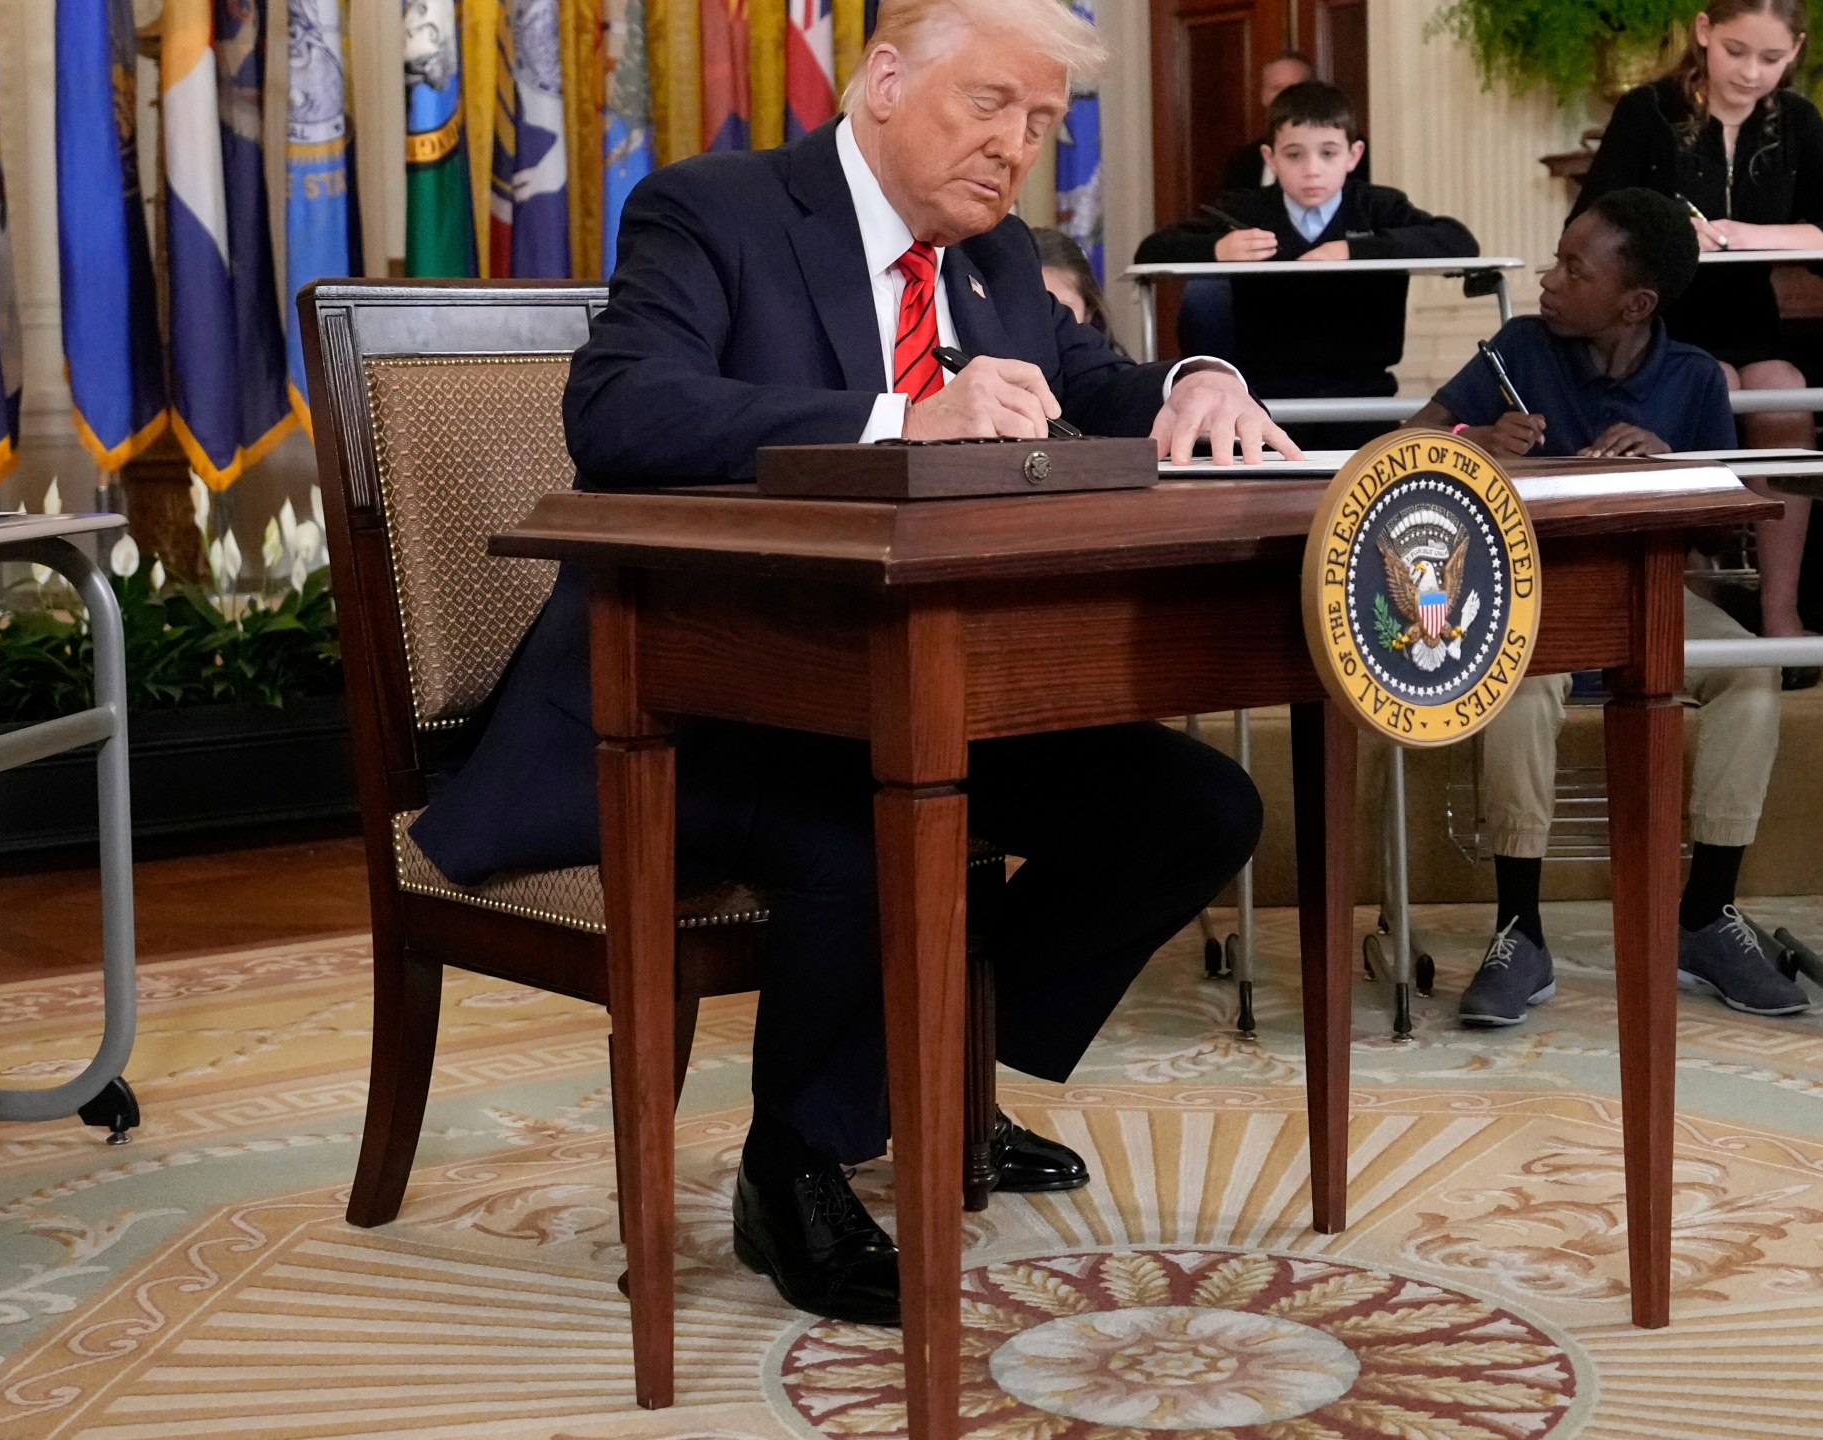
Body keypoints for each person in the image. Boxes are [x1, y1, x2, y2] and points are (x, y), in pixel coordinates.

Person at [406, 0, 1285, 1326]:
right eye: (990, 103)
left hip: (908, 691)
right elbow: (620, 410)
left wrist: (1195, 381)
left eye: (1041, 124)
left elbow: (1097, 386)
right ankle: (795, 1166)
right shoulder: (716, 209)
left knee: (1194, 809)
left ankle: (933, 1065)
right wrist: (900, 417)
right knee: (872, 821)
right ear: (882, 80)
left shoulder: (994, 259)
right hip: (686, 704)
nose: (1016, 147)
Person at [1409, 189, 1808, 1025]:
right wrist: (1472, 443)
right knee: (1518, 688)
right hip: (1536, 595)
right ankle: (1520, 930)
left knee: (1750, 673)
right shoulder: (1520, 349)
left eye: (1572, 270)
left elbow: (1722, 527)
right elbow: (1405, 446)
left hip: (1653, 596)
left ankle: (1706, 916)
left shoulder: (1693, 376)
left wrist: (1673, 465)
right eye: (1557, 261)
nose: (1548, 281)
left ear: (1635, 303)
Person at [1576, 0, 1823, 644]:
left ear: (1795, 51)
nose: (1751, 73)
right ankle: (1691, 607)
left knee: (1785, 393)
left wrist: (1750, 234)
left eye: (1771, 58)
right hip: (1660, 322)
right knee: (1711, 383)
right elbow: (1590, 226)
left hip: (1750, 319)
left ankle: (1780, 611)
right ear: (1703, 33)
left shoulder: (1795, 120)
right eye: (1735, 52)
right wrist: (1670, 234)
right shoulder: (1648, 111)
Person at [1137, 81, 1476, 447]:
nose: (1312, 170)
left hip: (1363, 392)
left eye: (1328, 153)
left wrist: (1355, 251)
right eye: (1294, 155)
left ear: (1353, 155)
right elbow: (1152, 250)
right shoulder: (1246, 210)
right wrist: (1217, 247)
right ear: (1271, 158)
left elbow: (1458, 241)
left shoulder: (1376, 207)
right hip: (1264, 394)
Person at [1215, 51, 1370, 195]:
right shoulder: (1242, 162)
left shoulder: (1355, 152)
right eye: (1277, 88)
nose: (1287, 97)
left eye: (1328, 153)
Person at [1031, 226, 1123, 355]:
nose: (1048, 324)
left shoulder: (1112, 365)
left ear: (1088, 312)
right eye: (1031, 308)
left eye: (1063, 310)